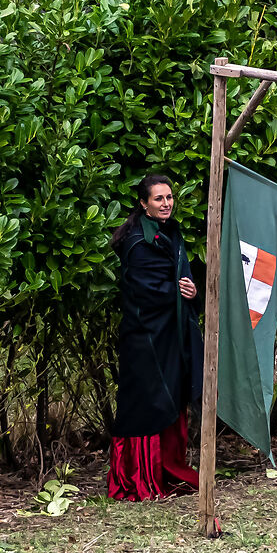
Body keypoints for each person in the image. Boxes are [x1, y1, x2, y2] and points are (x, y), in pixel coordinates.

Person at [107, 172, 201, 500]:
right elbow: (144, 288)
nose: (166, 203)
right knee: (147, 404)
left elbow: (180, 277)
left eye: (169, 197)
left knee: (172, 398)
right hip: (144, 339)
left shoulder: (170, 233)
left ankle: (168, 470)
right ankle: (140, 478)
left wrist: (190, 289)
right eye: (158, 198)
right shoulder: (136, 240)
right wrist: (176, 290)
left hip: (170, 335)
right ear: (144, 203)